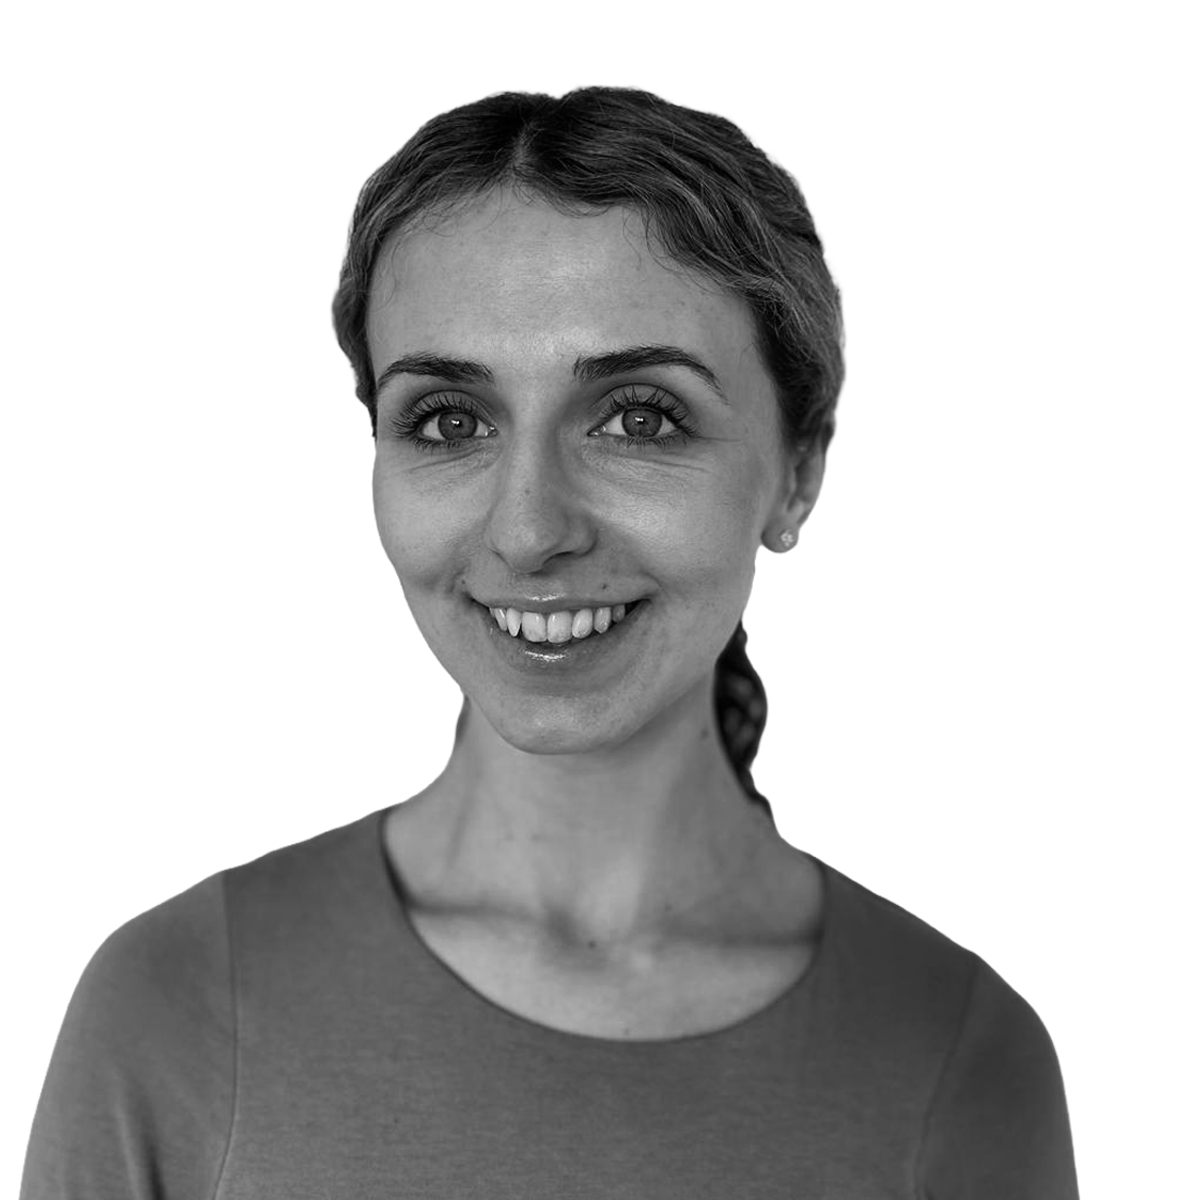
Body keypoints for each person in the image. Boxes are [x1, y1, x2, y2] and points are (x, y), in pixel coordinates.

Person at [20, 87, 1079, 1198]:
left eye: (639, 417)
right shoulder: (175, 1013)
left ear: (798, 470)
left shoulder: (959, 1063)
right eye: (448, 422)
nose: (529, 531)